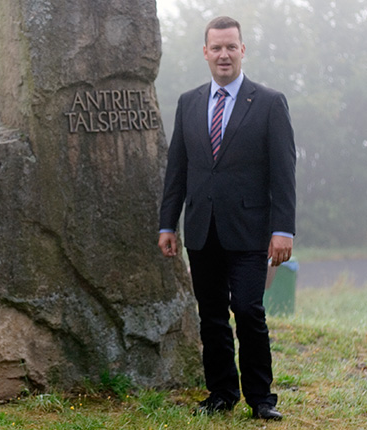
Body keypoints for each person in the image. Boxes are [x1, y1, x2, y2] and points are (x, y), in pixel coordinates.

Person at [158, 16, 295, 421]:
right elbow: (176, 169)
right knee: (212, 316)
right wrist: (168, 223)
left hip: (252, 232)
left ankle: (261, 398)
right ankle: (221, 393)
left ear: (242, 50)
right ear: (205, 52)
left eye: (230, 47)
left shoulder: (269, 102)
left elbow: (283, 172)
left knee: (249, 310)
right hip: (202, 230)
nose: (223, 54)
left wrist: (283, 229)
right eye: (216, 47)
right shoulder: (189, 102)